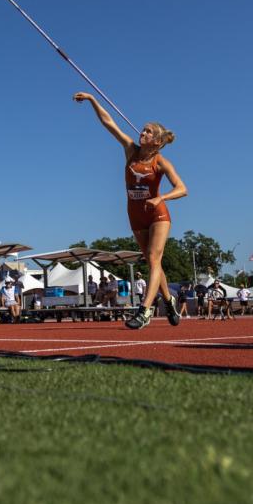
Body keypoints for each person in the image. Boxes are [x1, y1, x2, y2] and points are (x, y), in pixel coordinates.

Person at [75, 92, 187, 330]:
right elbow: (109, 123)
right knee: (151, 261)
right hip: (135, 215)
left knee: (155, 259)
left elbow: (182, 189)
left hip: (158, 215)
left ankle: (145, 311)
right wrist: (93, 99)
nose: (142, 133)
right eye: (143, 129)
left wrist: (161, 197)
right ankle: (169, 299)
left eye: (148, 131)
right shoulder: (130, 151)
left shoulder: (162, 162)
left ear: (157, 141)